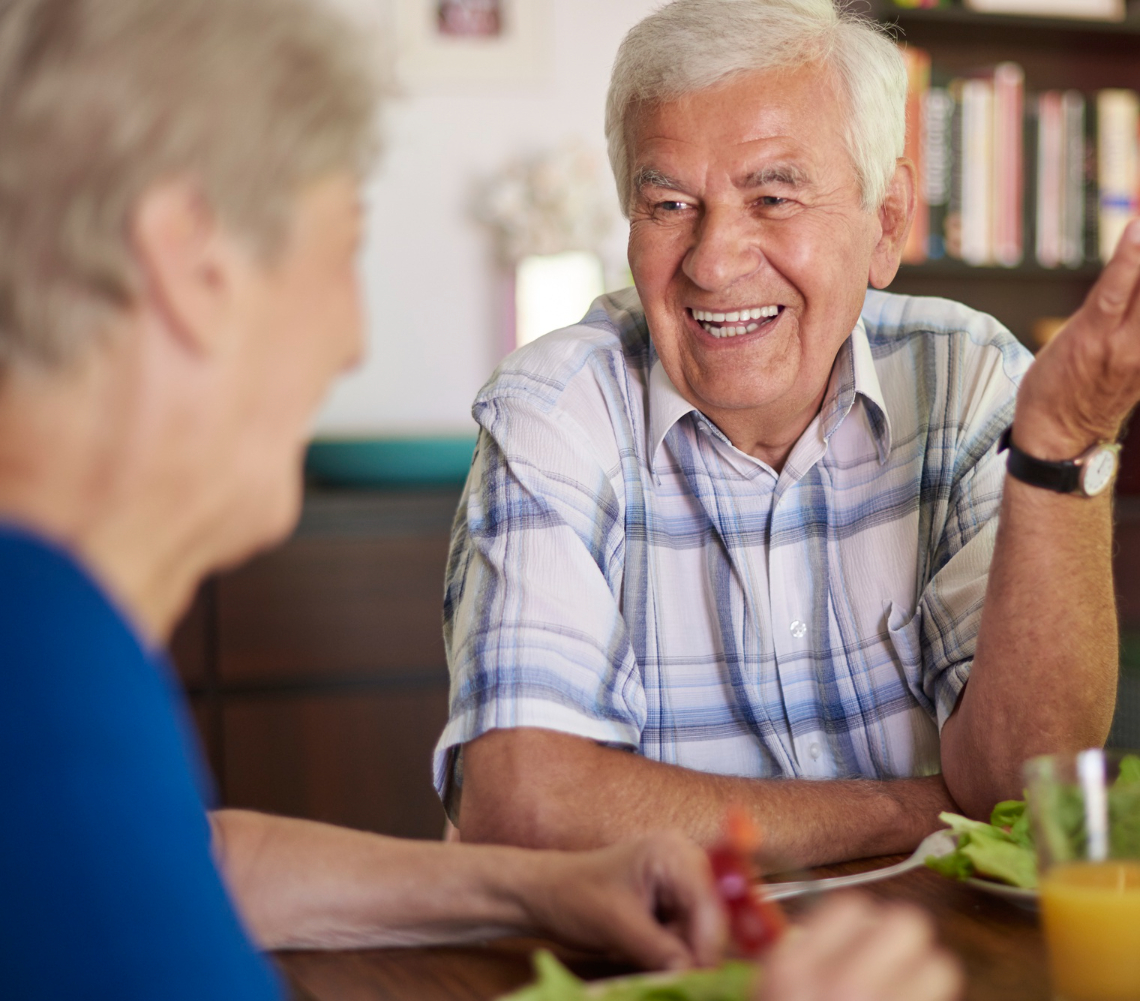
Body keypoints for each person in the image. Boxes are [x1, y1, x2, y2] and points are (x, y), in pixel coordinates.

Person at [0, 1, 960, 999]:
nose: (353, 340)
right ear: (189, 261)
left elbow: (196, 861)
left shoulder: (54, 639)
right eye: (342, 249)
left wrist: (537, 889)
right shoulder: (41, 688)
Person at [441, 0, 1140, 867]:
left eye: (773, 196)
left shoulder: (968, 378)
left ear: (888, 221)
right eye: (672, 203)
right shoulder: (556, 410)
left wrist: (1065, 440)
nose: (714, 262)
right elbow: (526, 802)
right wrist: (908, 812)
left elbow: (1024, 784)